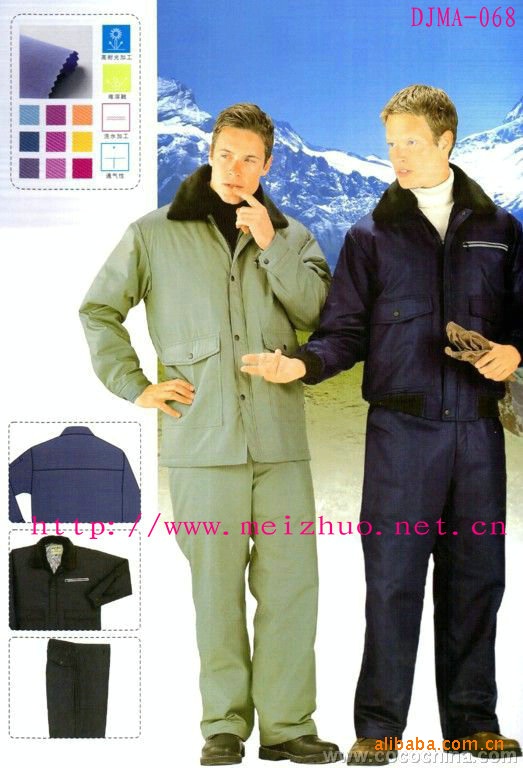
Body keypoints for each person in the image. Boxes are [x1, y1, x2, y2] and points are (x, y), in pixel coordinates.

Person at [241, 85, 523, 764]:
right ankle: (378, 729)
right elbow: (343, 332)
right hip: (401, 436)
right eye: (390, 142)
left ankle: (471, 724)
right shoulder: (371, 236)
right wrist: (300, 365)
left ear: (446, 141)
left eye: (410, 142)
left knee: (477, 578)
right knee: (392, 581)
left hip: (477, 434)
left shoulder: (500, 230)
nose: (396, 155)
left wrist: (515, 352)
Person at [80, 103, 340, 765]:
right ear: (209, 153)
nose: (235, 169)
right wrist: (134, 384)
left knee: (292, 590)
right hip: (200, 446)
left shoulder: (294, 235)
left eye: (249, 158)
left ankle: (287, 727)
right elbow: (99, 310)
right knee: (215, 592)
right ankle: (223, 725)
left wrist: (271, 246)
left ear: (267, 164)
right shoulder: (153, 233)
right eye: (226, 154)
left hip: (280, 447)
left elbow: (321, 314)